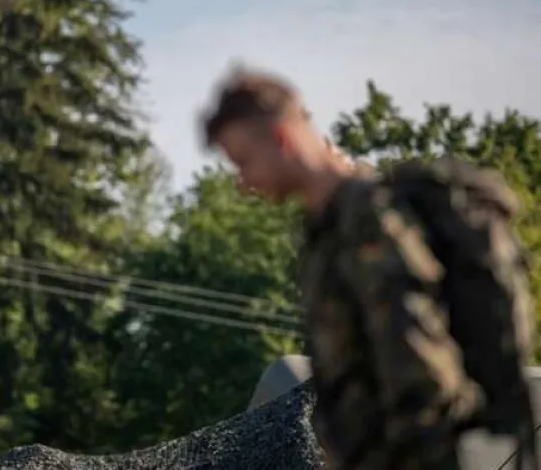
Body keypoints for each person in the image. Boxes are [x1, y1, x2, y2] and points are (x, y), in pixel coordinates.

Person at [201, 63, 537, 470]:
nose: (243, 180)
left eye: (244, 161)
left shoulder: (365, 218)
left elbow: (417, 356)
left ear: (281, 138)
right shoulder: (326, 227)